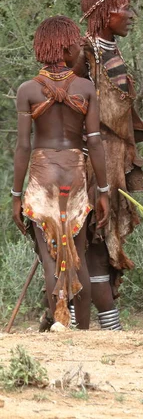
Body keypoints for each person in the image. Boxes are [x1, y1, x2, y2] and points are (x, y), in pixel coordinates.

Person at [12, 16, 109, 329]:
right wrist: (104, 191)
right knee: (76, 253)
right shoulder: (86, 88)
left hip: (42, 177)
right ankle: (80, 331)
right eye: (77, 44)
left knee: (50, 255)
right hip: (74, 174)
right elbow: (94, 143)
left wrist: (16, 195)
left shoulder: (28, 90)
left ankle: (58, 324)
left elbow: (23, 148)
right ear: (67, 48)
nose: (81, 49)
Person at [75, 0, 143, 331]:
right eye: (126, 8)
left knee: (105, 239)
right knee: (90, 232)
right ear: (105, 13)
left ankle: (102, 323)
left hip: (115, 158)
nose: (132, 15)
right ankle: (84, 319)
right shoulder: (83, 52)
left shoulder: (111, 51)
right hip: (93, 157)